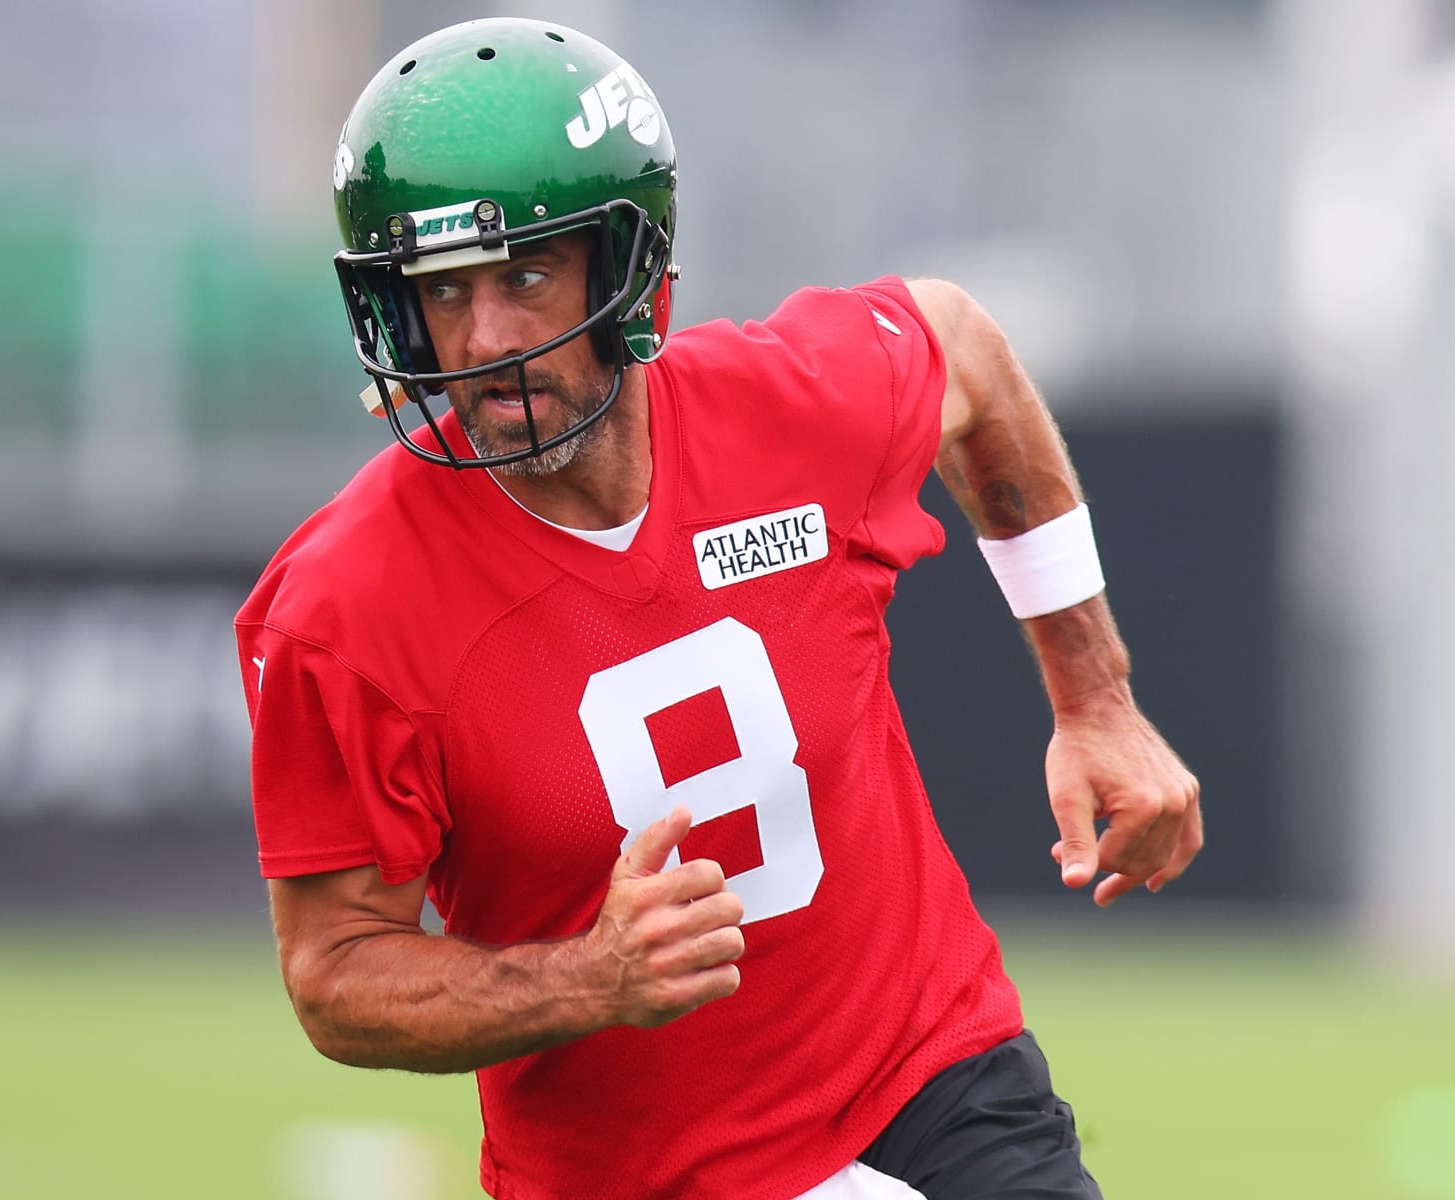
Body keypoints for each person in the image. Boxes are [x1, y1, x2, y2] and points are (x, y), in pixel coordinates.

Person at [235, 17, 1202, 1200]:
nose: (484, 338)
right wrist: (585, 980)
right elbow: (334, 972)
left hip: (928, 1087)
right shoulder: (344, 604)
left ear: (624, 261)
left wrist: (1095, 698)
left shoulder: (788, 407)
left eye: (526, 275)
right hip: (637, 1176)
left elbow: (963, 348)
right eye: (442, 291)